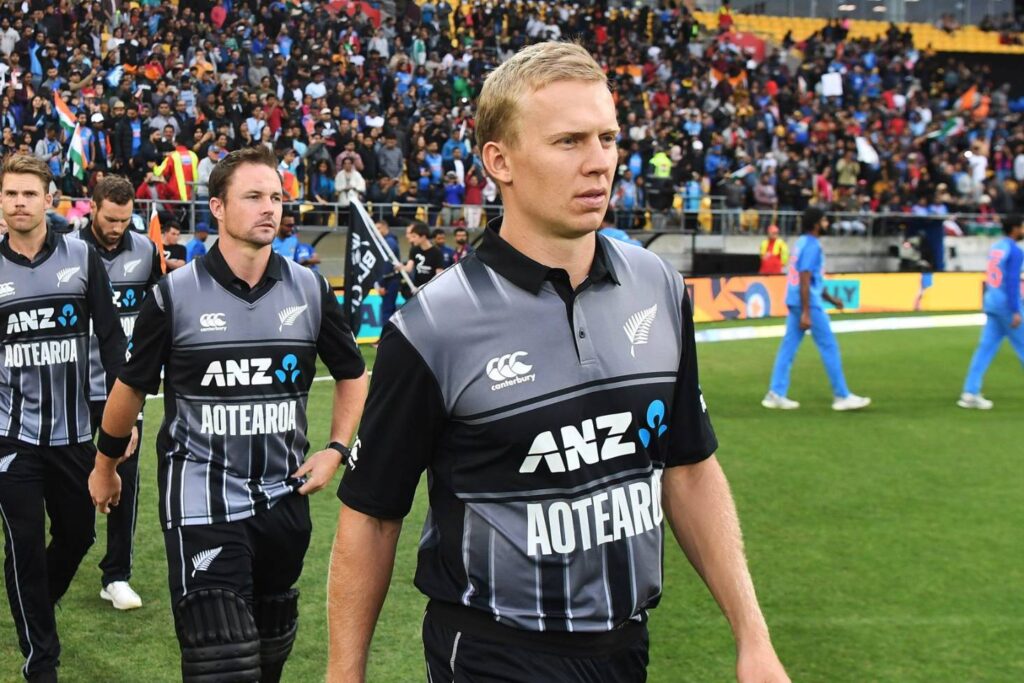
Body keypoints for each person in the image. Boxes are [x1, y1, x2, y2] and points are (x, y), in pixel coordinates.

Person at [327, 41, 788, 683]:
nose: (599, 164)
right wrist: (344, 675)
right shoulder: (433, 327)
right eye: (569, 142)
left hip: (627, 651)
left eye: (607, 138)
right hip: (491, 655)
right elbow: (373, 515)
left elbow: (689, 467)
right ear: (500, 161)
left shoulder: (656, 286)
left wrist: (752, 637)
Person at [88, 147, 369, 682]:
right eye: (254, 197)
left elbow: (354, 374)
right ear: (216, 206)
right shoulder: (175, 296)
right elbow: (130, 387)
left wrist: (336, 450)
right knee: (222, 659)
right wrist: (105, 466)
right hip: (201, 499)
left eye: (277, 198)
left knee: (268, 655)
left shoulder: (308, 288)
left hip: (284, 499)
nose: (271, 208)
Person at [0, 154, 126, 682]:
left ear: (49, 200)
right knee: (24, 544)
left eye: (30, 193)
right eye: (10, 194)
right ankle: (41, 662)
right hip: (12, 437)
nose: (19, 203)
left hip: (76, 434)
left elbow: (112, 340)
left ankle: (35, 607)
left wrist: (125, 419)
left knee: (78, 535)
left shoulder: (80, 257)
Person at [76, 175, 162, 611]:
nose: (116, 228)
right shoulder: (67, 251)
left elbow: (158, 308)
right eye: (110, 219)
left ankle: (116, 576)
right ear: (92, 208)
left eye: (125, 220)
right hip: (73, 385)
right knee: (68, 480)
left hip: (126, 387)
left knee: (125, 478)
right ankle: (63, 554)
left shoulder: (145, 250)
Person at [762, 208, 871, 411]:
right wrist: (807, 311)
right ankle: (841, 395)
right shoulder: (812, 245)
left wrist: (830, 298)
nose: (827, 224)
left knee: (788, 347)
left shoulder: (802, 242)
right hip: (807, 303)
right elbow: (805, 278)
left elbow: (809, 279)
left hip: (796, 299)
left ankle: (775, 393)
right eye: (824, 220)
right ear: (815, 224)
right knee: (829, 346)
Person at [958, 214, 1024, 409]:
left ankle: (970, 392)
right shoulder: (1015, 251)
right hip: (1006, 305)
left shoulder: (997, 247)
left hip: (992, 302)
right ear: (1014, 229)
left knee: (985, 349)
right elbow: (1012, 281)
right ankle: (970, 392)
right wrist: (1015, 309)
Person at [399, 220, 444, 294]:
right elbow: (409, 268)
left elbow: (439, 274)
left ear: (423, 237)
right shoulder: (414, 249)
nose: (412, 239)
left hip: (431, 289)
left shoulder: (437, 252)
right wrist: (401, 267)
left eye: (414, 236)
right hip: (417, 288)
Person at [374, 220, 401, 328]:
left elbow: (386, 264)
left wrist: (380, 283)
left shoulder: (389, 241)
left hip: (389, 280)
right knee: (389, 310)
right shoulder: (387, 241)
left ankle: (385, 338)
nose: (377, 231)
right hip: (389, 279)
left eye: (379, 228)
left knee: (387, 310)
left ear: (386, 227)